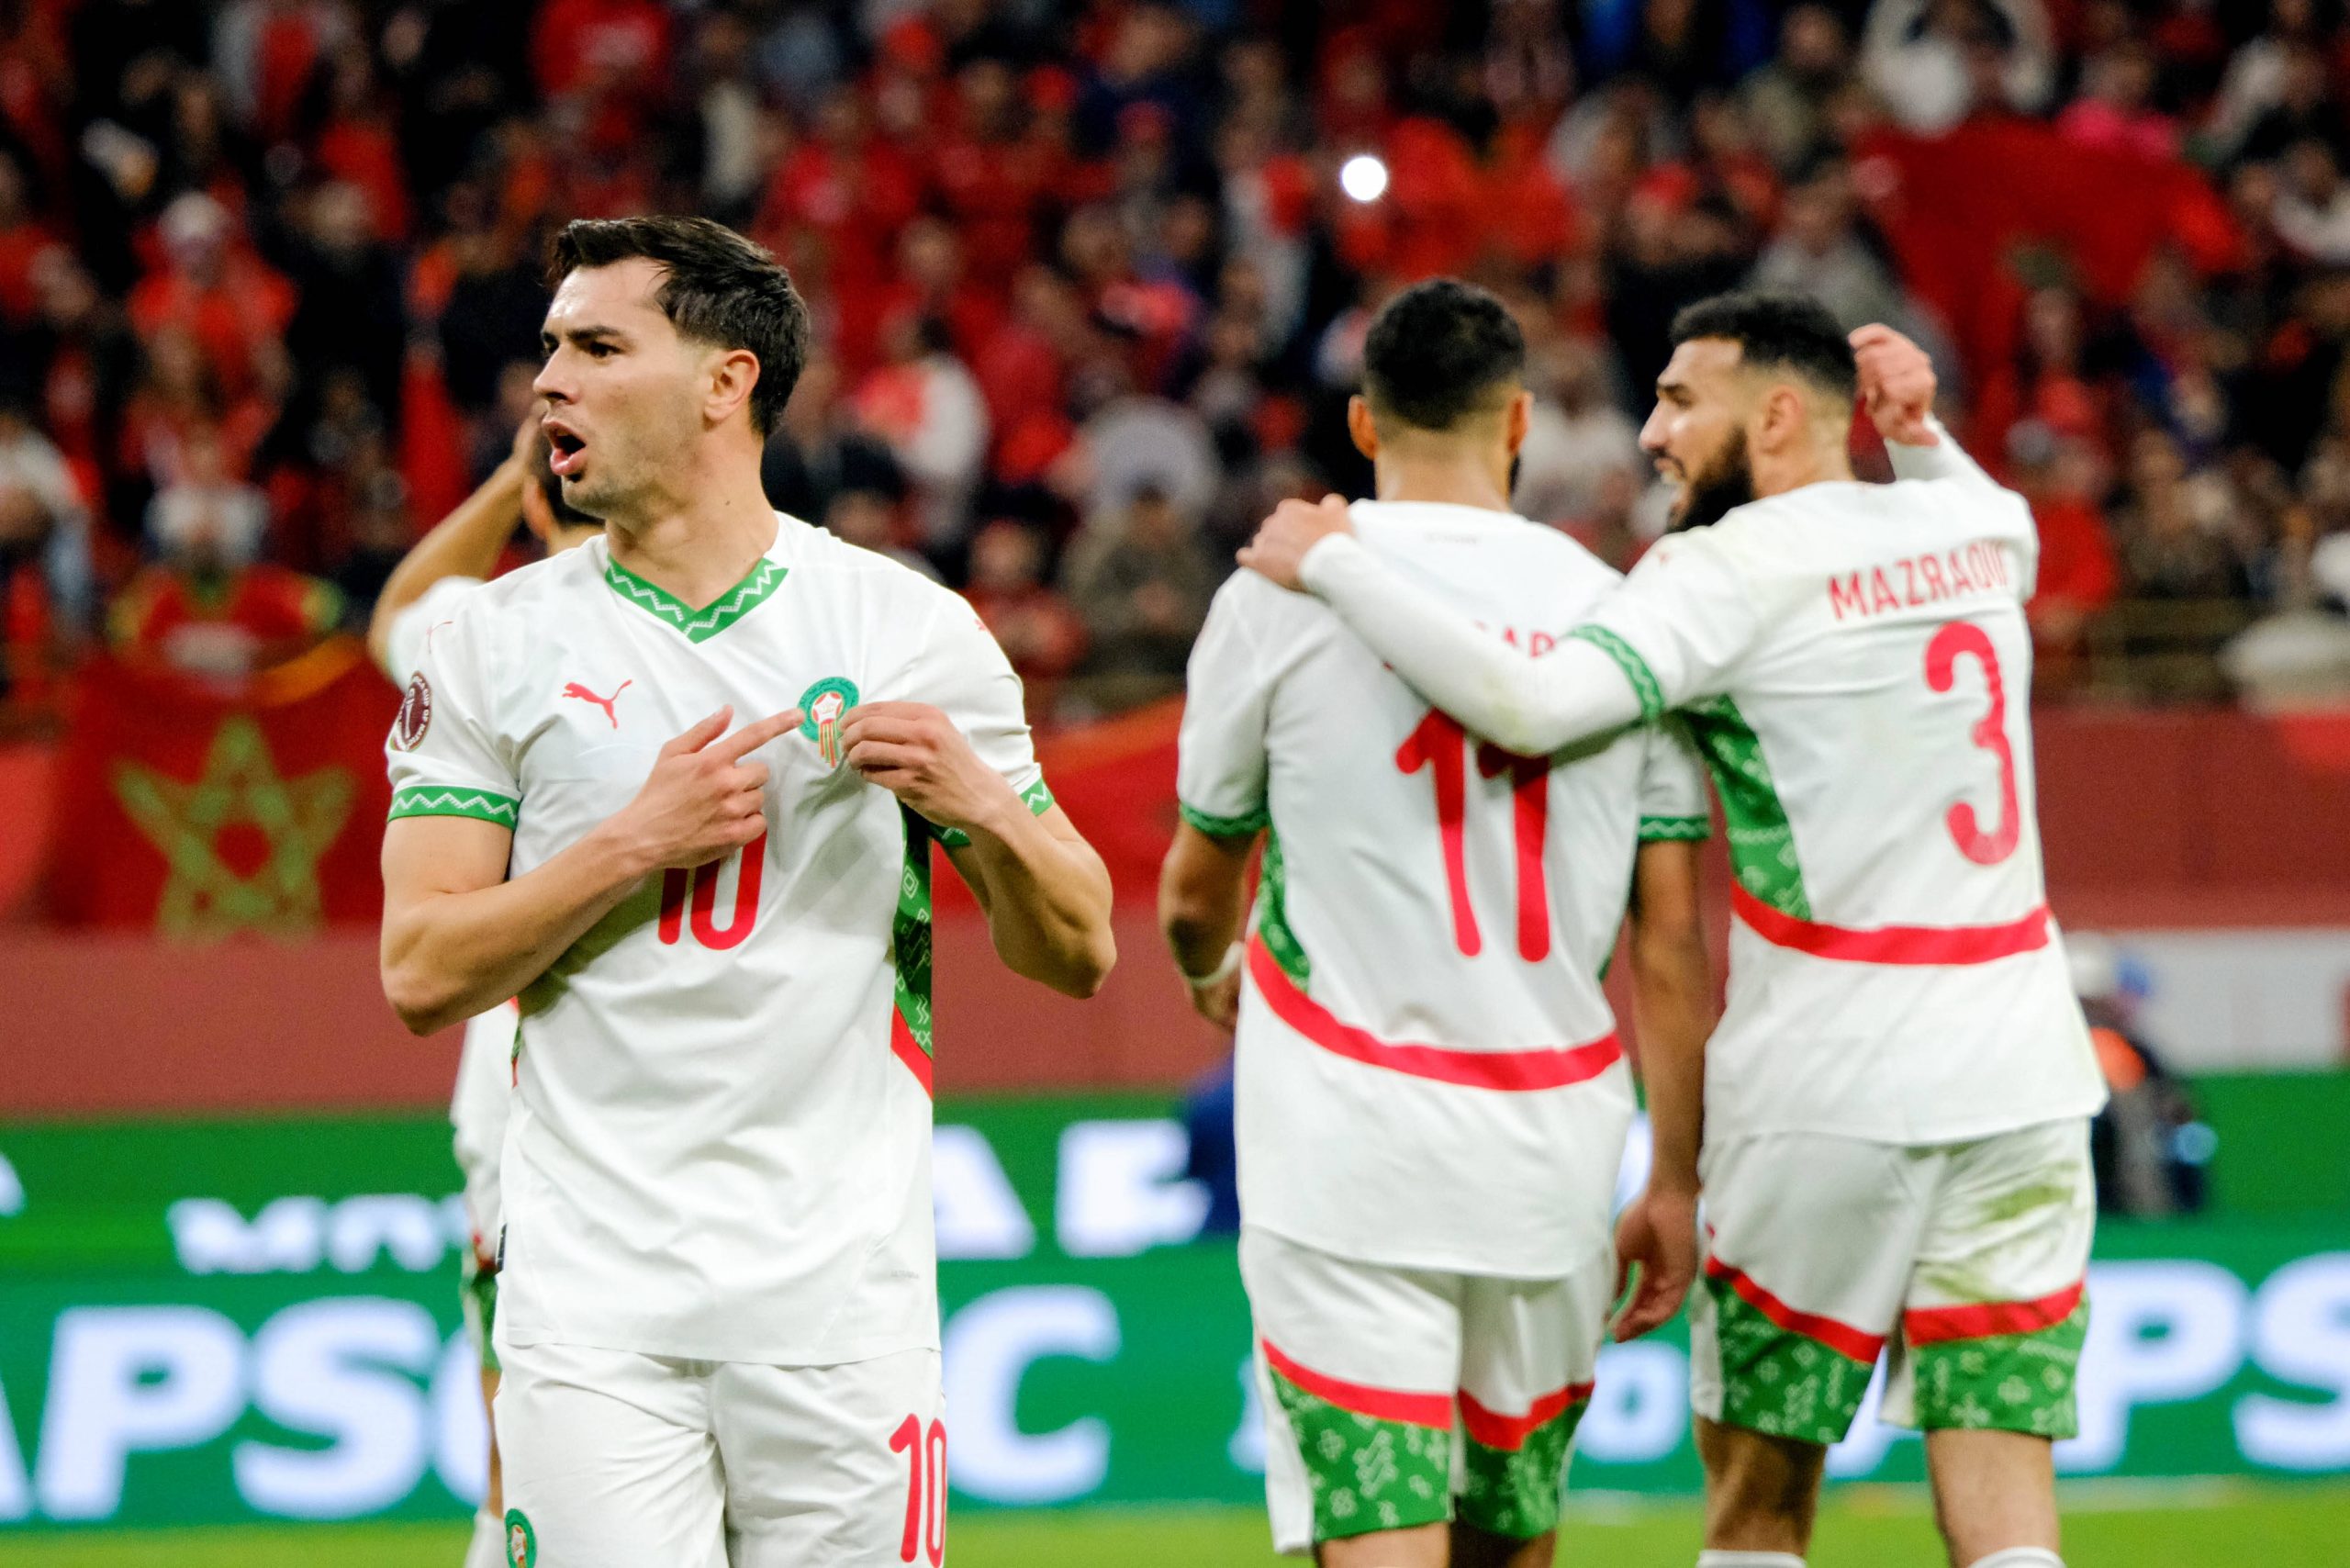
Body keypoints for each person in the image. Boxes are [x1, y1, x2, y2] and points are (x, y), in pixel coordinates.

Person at [1238, 295, 2105, 1568]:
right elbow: (2008, 540)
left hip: (1831, 1082)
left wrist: (1336, 564)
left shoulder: (1726, 571)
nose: (1651, 434)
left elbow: (1531, 707)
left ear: (1776, 414)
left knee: (1757, 1504)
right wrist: (1919, 437)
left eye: (1681, 402)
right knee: (2013, 1519)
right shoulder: (1973, 519)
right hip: (2026, 1075)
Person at [377, 216, 1115, 1568]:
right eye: (549, 349)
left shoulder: (906, 627)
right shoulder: (488, 642)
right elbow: (421, 970)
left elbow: (1077, 947)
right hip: (594, 1311)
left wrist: (985, 809)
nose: (548, 381)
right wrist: (625, 843)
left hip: (843, 1306)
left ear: (726, 382)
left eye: (598, 346)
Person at [1160, 279, 1717, 1568]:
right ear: (1520, 422)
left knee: (1377, 1540)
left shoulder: (1279, 593)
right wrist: (1677, 1178)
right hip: (1553, 1154)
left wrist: (1210, 967)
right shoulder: (1627, 616)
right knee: (1509, 1546)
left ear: (1362, 426)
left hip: (1346, 1144)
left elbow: (1197, 886)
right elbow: (1674, 944)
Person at [367, 410, 601, 1568]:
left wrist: (509, 488)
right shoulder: (761, 624)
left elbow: (394, 609)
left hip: (515, 1068)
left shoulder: (481, 630)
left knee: (528, 1408)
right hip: (610, 1070)